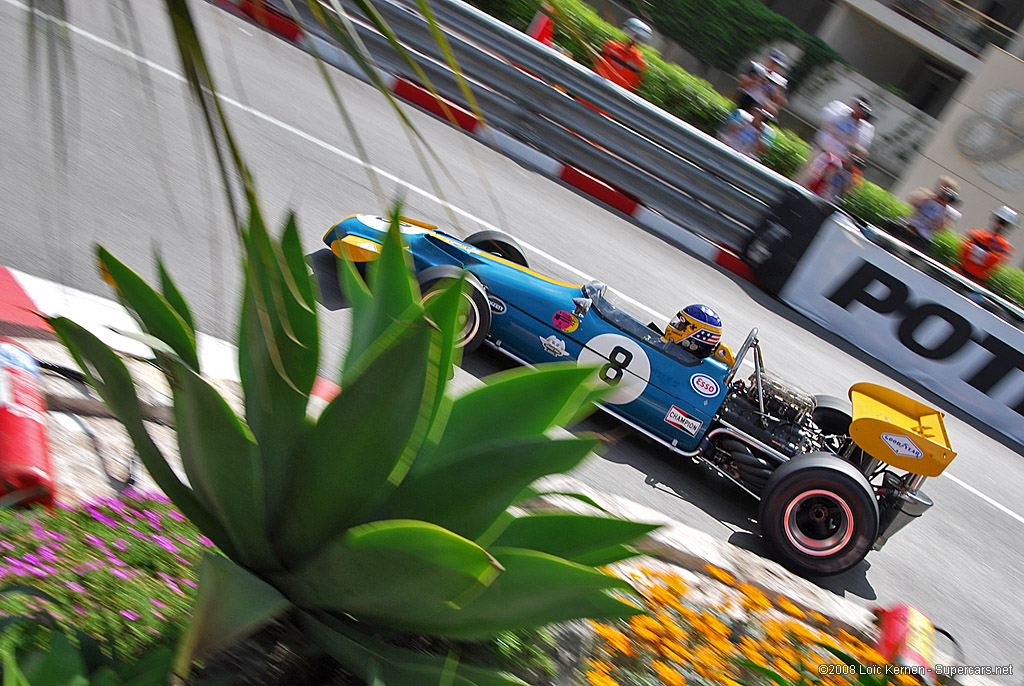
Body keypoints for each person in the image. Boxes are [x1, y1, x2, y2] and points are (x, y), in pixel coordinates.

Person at [898, 176, 961, 250]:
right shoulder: (928, 196)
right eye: (944, 187)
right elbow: (912, 200)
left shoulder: (948, 211)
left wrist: (944, 206)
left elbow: (940, 228)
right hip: (909, 225)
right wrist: (932, 197)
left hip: (922, 236)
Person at [959, 206, 1017, 282]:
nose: (1000, 226)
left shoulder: (1006, 248)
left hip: (977, 285)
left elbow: (994, 264)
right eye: (1000, 221)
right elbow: (963, 250)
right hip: (959, 274)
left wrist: (974, 251)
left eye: (1004, 224)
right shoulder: (976, 234)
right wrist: (987, 255)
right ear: (995, 220)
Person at [593, 17, 651, 92]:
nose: (634, 39)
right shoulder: (611, 46)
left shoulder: (640, 61)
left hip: (614, 97)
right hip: (595, 88)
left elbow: (635, 84)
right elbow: (597, 63)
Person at [801, 145, 865, 205]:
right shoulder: (831, 159)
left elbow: (851, 192)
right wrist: (831, 172)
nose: (854, 162)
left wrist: (851, 184)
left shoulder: (853, 175)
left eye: (858, 161)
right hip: (815, 197)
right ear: (849, 154)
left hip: (831, 204)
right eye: (854, 158)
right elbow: (812, 176)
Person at [734, 48, 788, 116]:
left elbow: (780, 103)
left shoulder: (780, 81)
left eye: (776, 64)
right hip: (746, 100)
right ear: (768, 60)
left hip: (761, 108)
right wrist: (756, 80)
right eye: (772, 62)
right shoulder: (756, 68)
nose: (773, 65)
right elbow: (741, 82)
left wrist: (776, 93)